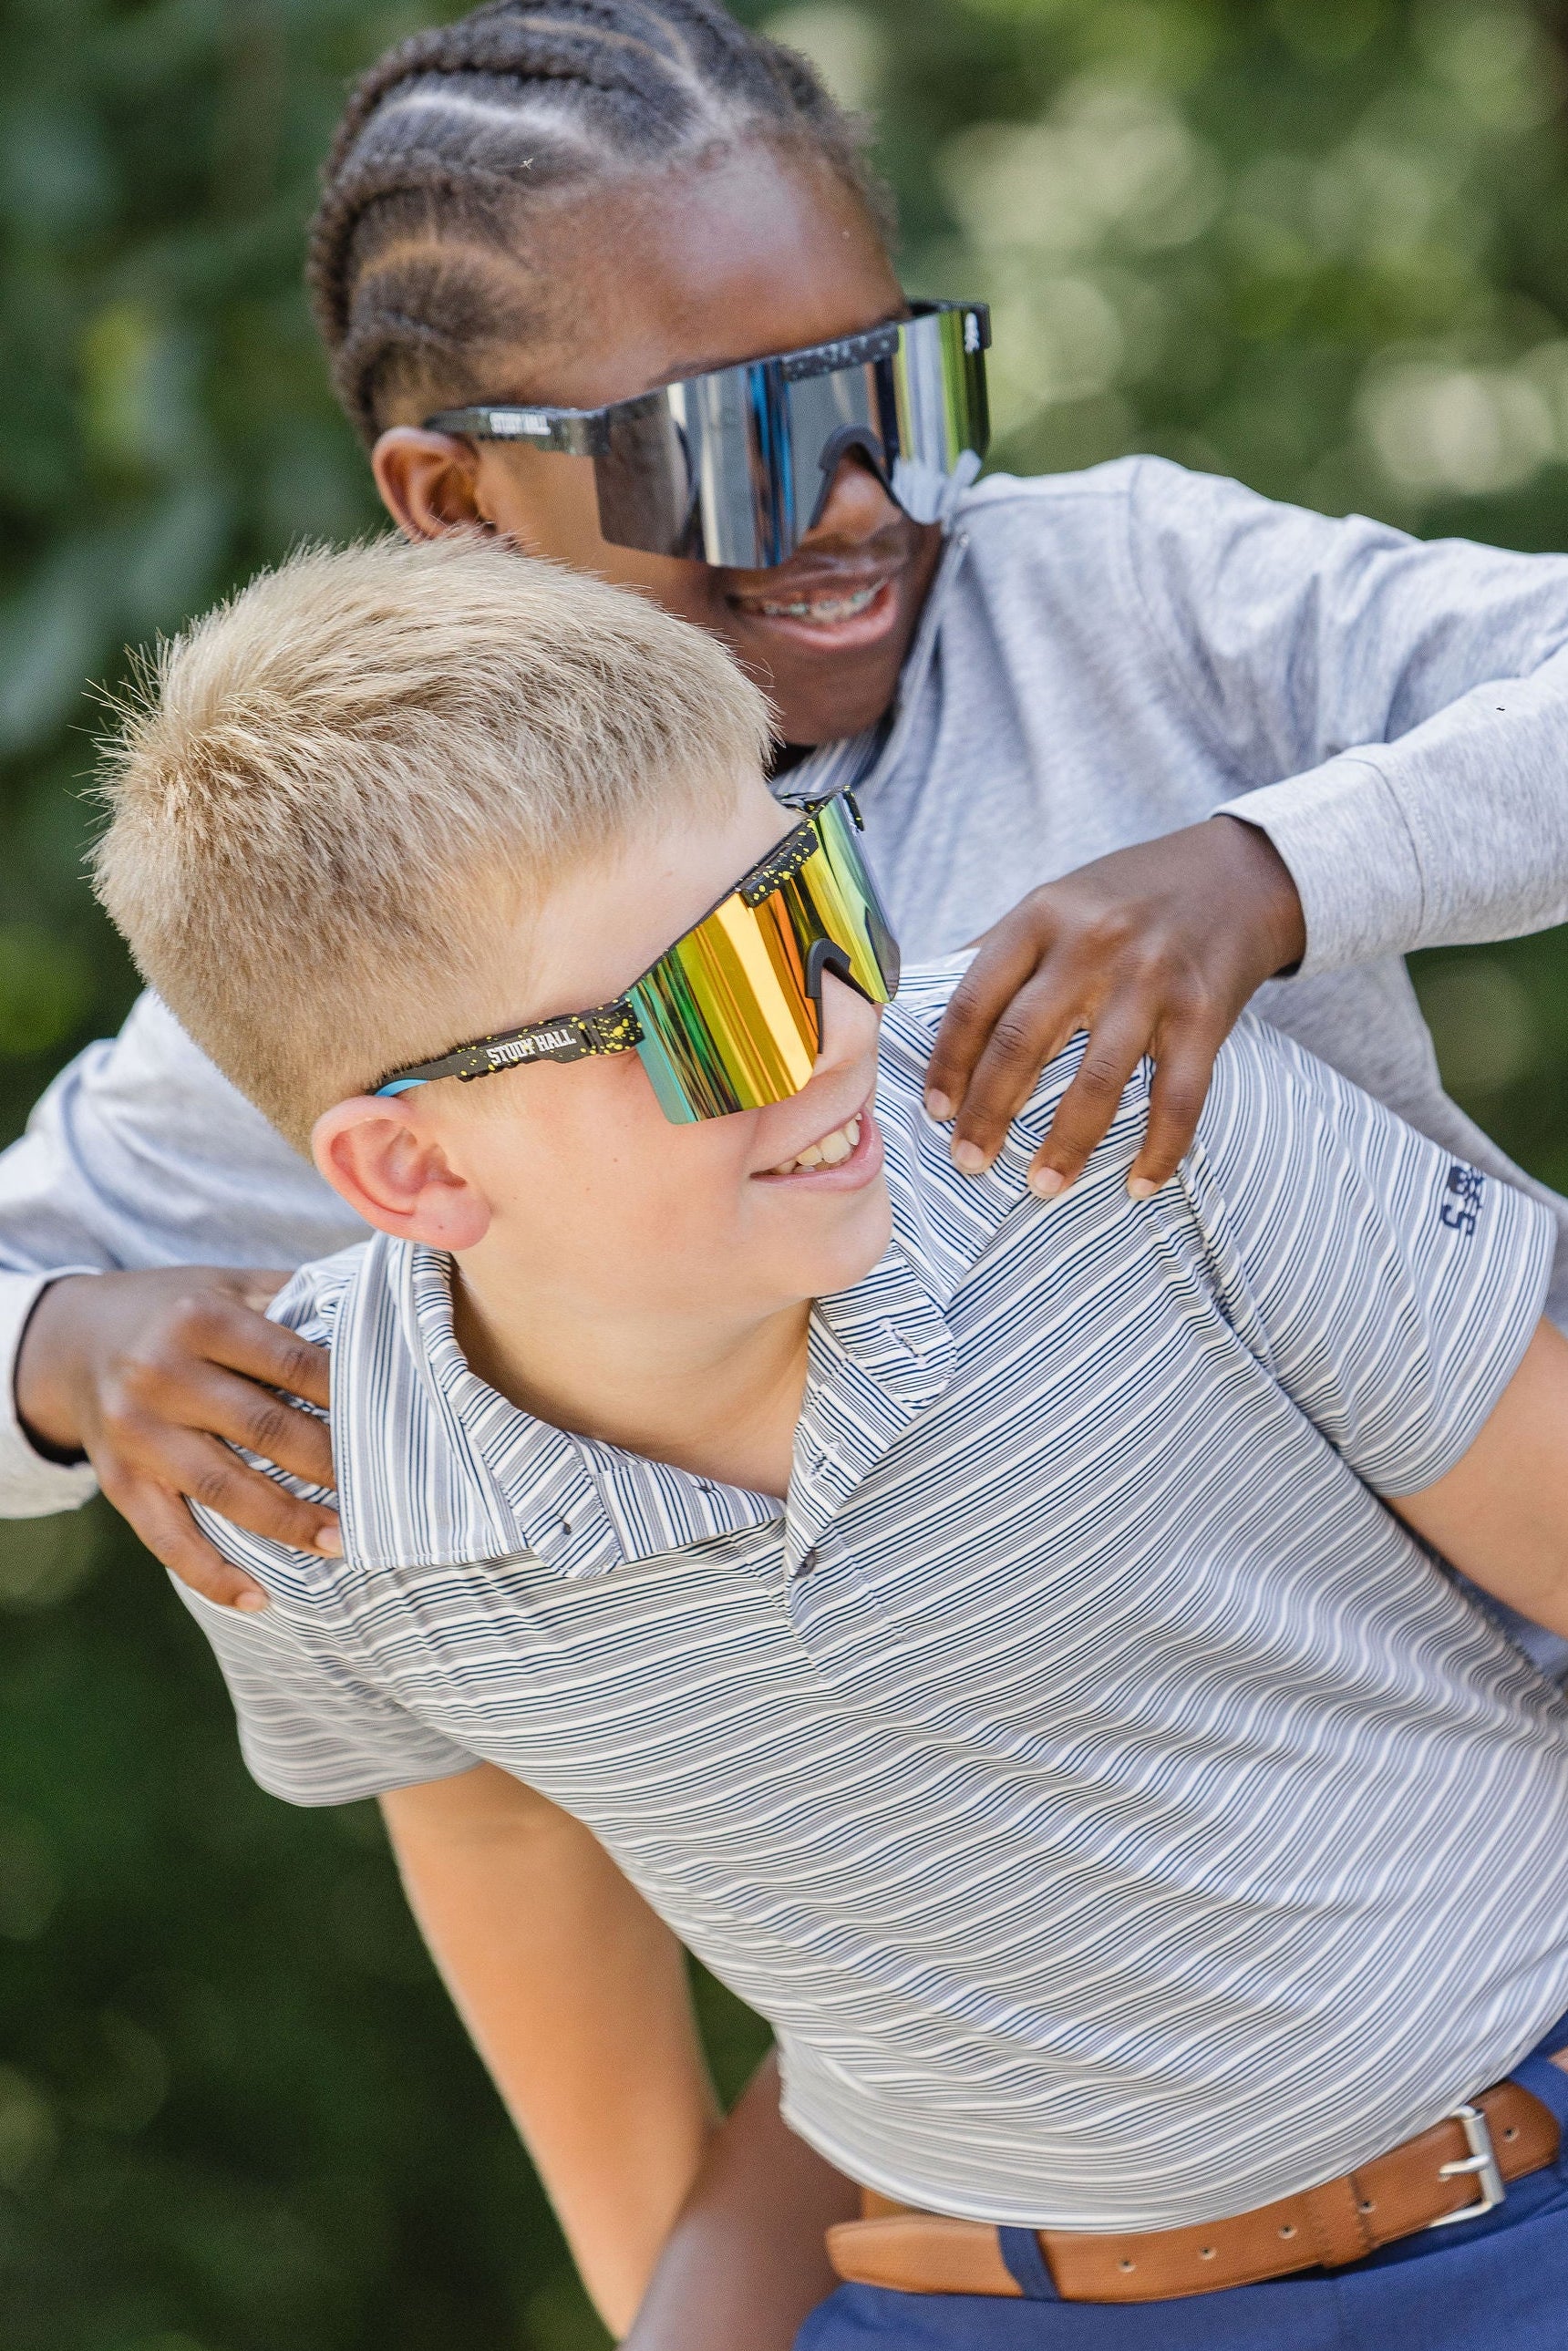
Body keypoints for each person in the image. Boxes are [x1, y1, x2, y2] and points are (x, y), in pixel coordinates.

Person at [92, 531, 1568, 2351]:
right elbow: (497, 1844)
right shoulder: (293, 1479)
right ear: (413, 1167)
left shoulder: (1110, 1114)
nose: (832, 1037)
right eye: (707, 1008)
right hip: (978, 2305)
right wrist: (662, 2300)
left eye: (813, 911)